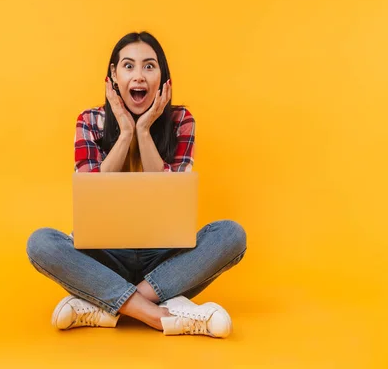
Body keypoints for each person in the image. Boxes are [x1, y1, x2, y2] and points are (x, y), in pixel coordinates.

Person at [26, 31, 247, 338]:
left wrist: (144, 131)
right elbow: (95, 193)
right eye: (128, 66)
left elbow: (172, 193)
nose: (138, 75)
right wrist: (126, 132)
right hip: (105, 254)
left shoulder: (181, 120)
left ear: (162, 78)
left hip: (165, 256)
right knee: (41, 243)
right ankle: (157, 314)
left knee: (231, 235)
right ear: (113, 78)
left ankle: (102, 302)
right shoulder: (89, 121)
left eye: (149, 66)